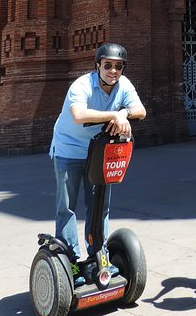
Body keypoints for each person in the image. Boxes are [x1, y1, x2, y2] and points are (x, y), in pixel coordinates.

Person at [49, 43, 146, 286]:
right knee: (67, 207)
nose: (113, 71)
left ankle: (97, 255)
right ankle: (69, 259)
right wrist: (115, 115)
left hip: (98, 153)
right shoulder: (81, 84)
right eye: (108, 65)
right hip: (69, 149)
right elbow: (79, 115)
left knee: (99, 205)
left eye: (118, 66)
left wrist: (123, 113)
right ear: (97, 66)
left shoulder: (123, 85)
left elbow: (140, 111)